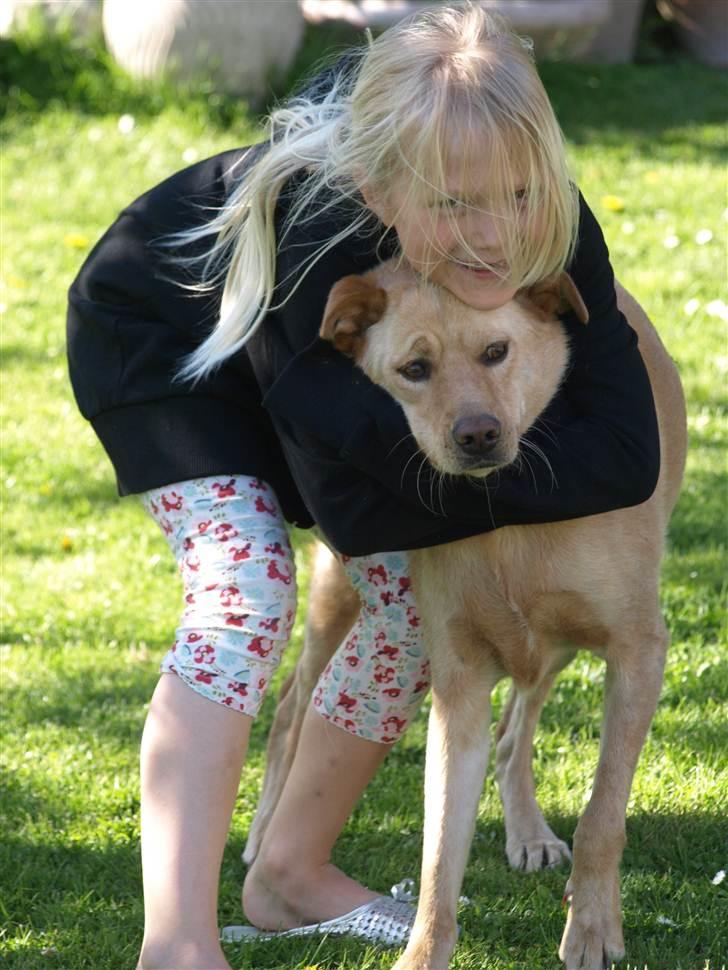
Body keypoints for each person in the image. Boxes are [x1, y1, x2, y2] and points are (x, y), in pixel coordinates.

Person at [66, 3, 659, 968]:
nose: (495, 234)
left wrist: (490, 458)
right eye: (456, 205)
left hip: (361, 364)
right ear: (384, 194)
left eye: (516, 193)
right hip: (162, 343)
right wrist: (502, 467)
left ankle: (289, 873)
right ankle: (175, 941)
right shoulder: (319, 231)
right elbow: (352, 508)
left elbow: (629, 455)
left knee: (408, 601)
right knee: (247, 592)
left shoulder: (547, 225)